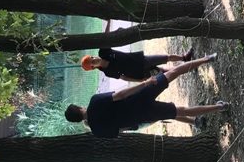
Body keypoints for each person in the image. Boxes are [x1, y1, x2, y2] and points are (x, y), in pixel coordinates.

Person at [65, 55, 229, 136]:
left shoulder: (97, 130)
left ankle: (220, 107)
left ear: (78, 120)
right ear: (79, 108)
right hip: (139, 96)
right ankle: (207, 59)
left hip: (142, 114)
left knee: (181, 111)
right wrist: (144, 83)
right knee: (173, 73)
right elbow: (120, 95)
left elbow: (122, 129)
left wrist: (138, 120)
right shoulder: (95, 102)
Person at [79, 46, 196, 82]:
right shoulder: (108, 72)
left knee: (165, 57)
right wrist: (140, 81)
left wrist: (108, 20)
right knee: (165, 72)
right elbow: (123, 77)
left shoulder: (103, 52)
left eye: (92, 57)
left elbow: (107, 38)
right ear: (93, 67)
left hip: (140, 59)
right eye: (92, 62)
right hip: (140, 72)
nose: (95, 59)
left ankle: (184, 58)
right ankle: (189, 68)